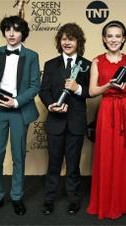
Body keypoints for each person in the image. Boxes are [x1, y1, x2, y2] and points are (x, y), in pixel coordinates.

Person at [0, 15, 40, 217]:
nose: (11, 34)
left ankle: (16, 196)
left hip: (18, 109)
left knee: (18, 156)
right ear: (4, 32)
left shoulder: (32, 55)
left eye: (16, 30)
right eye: (8, 30)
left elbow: (34, 87)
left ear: (23, 33)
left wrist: (16, 101)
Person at [86, 20, 126, 219]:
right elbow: (92, 91)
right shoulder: (96, 61)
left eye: (117, 36)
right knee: (108, 156)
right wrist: (108, 85)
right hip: (107, 109)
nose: (113, 40)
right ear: (104, 38)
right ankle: (108, 203)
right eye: (109, 36)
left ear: (124, 39)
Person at [39, 23, 91, 215]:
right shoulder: (50, 64)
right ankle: (49, 199)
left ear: (79, 42)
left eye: (71, 38)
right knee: (53, 164)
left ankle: (74, 199)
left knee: (73, 164)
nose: (67, 42)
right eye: (64, 39)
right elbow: (43, 91)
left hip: (75, 123)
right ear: (59, 42)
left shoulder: (87, 65)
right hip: (55, 121)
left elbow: (90, 92)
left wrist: (78, 88)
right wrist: (51, 104)